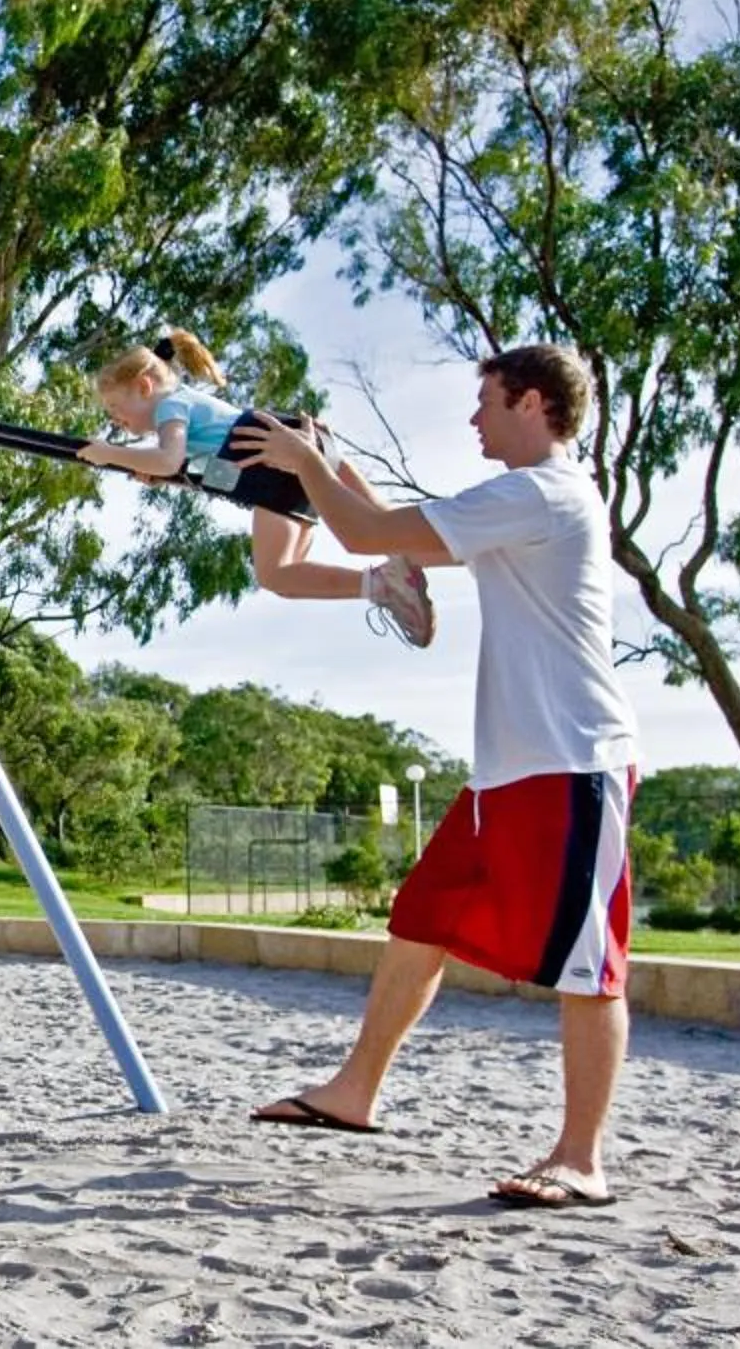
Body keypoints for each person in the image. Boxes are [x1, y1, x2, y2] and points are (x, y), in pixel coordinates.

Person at [230, 343, 642, 1212]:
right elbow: (393, 533)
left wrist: (306, 464)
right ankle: (354, 1092)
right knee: (422, 918)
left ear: (531, 404)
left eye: (485, 401)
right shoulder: (516, 501)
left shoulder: (543, 494)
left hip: (573, 764)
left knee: (586, 964)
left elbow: (369, 535)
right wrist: (323, 458)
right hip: (509, 772)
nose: (472, 418)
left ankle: (581, 1158)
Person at [80, 331, 436, 648]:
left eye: (115, 406)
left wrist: (109, 453)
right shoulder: (191, 406)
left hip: (274, 470)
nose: (114, 419)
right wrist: (160, 471)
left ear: (144, 387)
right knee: (347, 542)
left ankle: (383, 585)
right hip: (298, 457)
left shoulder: (170, 407)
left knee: (275, 574)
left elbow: (169, 460)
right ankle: (401, 563)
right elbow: (209, 470)